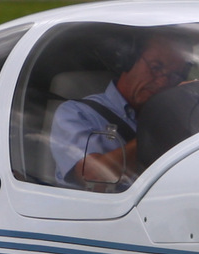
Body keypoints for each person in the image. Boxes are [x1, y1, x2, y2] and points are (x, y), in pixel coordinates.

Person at [50, 34, 189, 189]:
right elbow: (93, 176)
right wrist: (161, 131)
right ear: (128, 61)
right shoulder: (76, 113)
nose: (163, 82)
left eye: (174, 75)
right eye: (156, 68)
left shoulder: (173, 114)